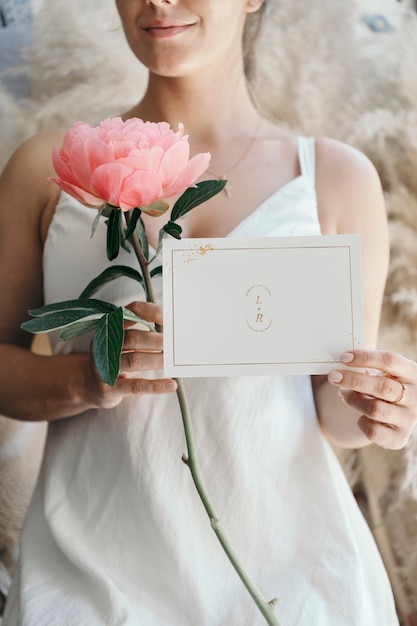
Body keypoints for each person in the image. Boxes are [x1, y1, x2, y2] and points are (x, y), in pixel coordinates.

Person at [0, 0, 416, 624]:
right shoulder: (51, 172)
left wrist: (385, 407)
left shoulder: (332, 177)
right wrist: (85, 378)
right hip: (90, 582)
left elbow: (333, 407)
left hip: (295, 586)